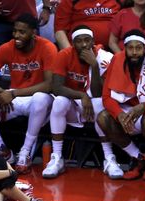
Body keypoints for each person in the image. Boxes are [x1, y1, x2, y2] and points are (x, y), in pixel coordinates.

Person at [0, 13, 55, 174]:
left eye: (22, 32)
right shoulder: (7, 48)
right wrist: (0, 91)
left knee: (40, 98)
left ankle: (25, 152)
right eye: (15, 31)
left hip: (40, 100)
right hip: (14, 100)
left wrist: (13, 93)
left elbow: (49, 85)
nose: (16, 36)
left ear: (33, 33)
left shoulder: (47, 47)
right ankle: (2, 149)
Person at [48, 26, 119, 179]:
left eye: (87, 40)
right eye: (79, 41)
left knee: (100, 102)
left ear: (93, 42)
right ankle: (57, 158)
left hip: (93, 110)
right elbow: (56, 88)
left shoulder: (105, 57)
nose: (84, 45)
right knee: (59, 101)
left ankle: (109, 158)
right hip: (73, 108)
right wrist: (81, 95)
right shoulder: (64, 55)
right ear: (73, 44)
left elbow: (98, 93)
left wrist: (94, 65)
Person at [98, 30, 145, 180]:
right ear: (125, 48)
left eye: (138, 48)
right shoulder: (117, 60)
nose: (134, 52)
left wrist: (144, 106)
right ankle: (138, 157)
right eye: (130, 48)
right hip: (127, 110)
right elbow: (106, 97)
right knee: (103, 118)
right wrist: (119, 114)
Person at [53, 0, 121, 49]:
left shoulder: (119, 1)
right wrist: (71, 55)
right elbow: (60, 32)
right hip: (79, 50)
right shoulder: (69, 2)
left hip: (113, 50)